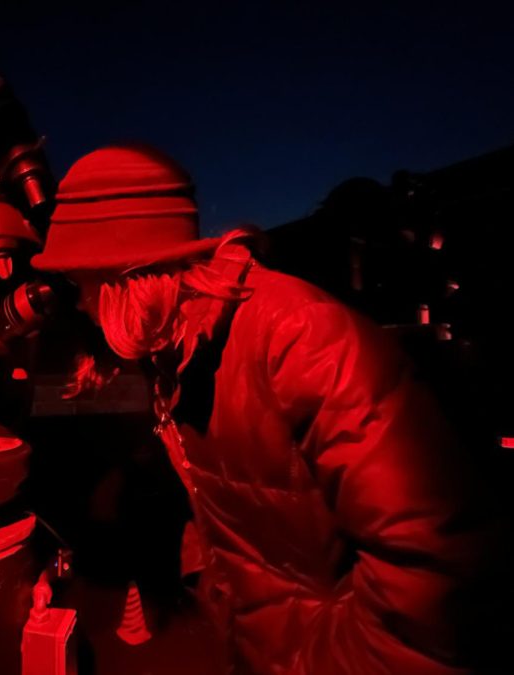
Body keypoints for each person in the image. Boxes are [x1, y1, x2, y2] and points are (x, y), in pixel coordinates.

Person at [32, 145, 485, 674]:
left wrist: (307, 658)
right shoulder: (180, 349)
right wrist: (210, 579)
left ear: (124, 275)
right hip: (261, 647)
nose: (79, 304)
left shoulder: (300, 338)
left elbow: (436, 592)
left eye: (79, 283)